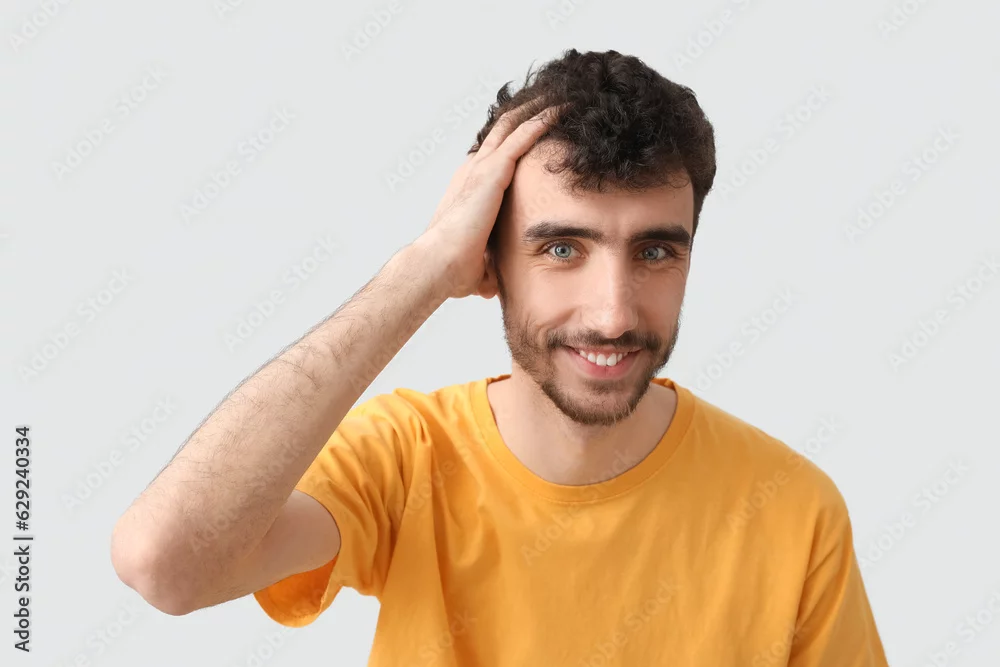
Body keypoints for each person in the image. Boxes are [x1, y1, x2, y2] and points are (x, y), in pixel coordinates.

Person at [110, 49, 889, 665]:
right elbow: (164, 563)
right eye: (562, 248)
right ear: (488, 257)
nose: (613, 313)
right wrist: (420, 271)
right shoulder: (406, 458)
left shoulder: (792, 509)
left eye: (655, 251)